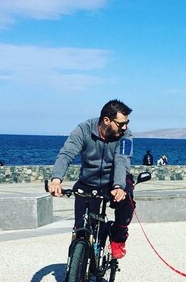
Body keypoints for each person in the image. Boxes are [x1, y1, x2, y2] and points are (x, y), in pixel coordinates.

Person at [48, 99, 134, 260]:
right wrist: (56, 180)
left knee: (126, 201)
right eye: (121, 123)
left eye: (127, 123)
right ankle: (72, 272)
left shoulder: (125, 135)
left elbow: (122, 159)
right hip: (89, 181)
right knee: (80, 229)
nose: (125, 127)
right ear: (106, 120)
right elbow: (66, 153)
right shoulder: (84, 129)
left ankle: (118, 238)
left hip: (115, 180)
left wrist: (118, 186)